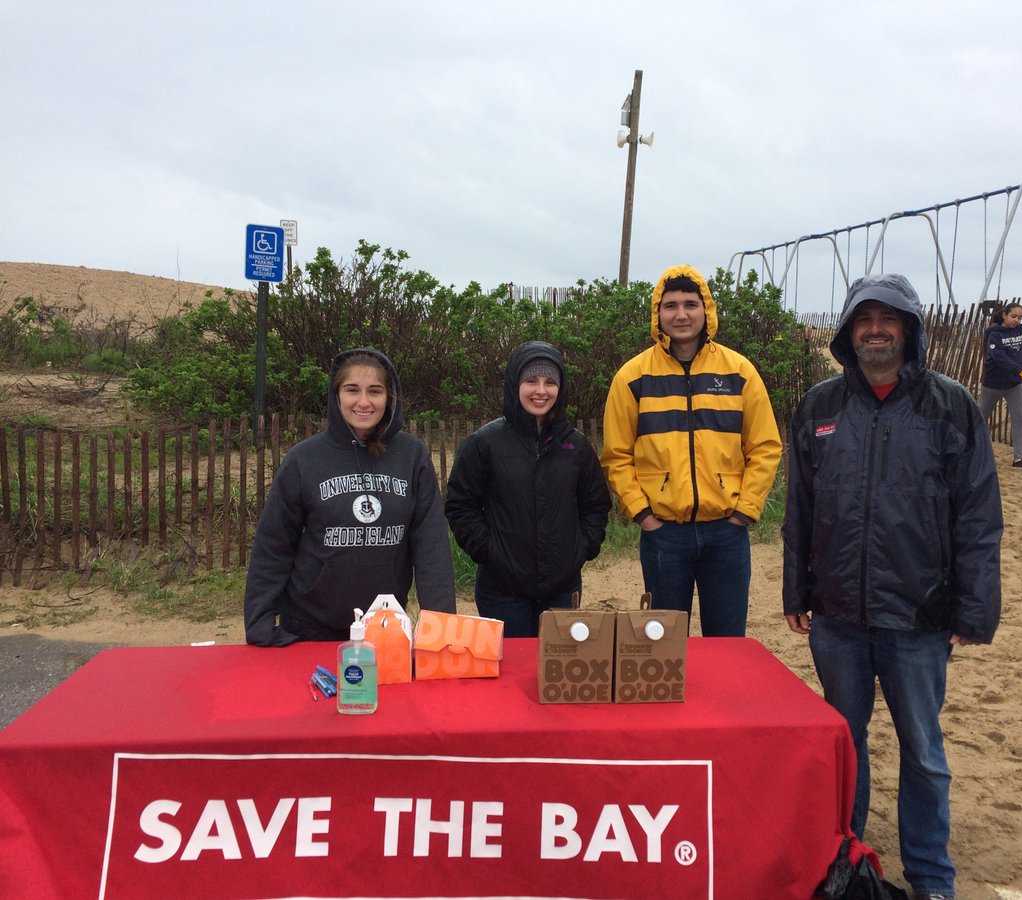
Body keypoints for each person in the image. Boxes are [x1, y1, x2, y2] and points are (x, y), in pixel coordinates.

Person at [781, 274, 1003, 900]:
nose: (875, 330)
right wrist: (796, 591)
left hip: (920, 617)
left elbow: (979, 514)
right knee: (842, 747)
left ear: (909, 328)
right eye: (863, 320)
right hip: (839, 616)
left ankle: (931, 877)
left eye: (888, 319)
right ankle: (846, 864)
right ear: (848, 332)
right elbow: (801, 505)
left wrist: (974, 607)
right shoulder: (821, 406)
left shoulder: (949, 405)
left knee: (924, 752)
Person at [602, 264, 782, 636]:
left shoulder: (739, 372)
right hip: (663, 533)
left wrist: (745, 511)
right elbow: (617, 456)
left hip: (727, 533)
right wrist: (642, 515)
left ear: (707, 310)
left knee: (727, 640)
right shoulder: (632, 377)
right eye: (670, 306)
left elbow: (765, 447)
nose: (681, 315)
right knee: (665, 642)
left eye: (690, 304)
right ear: (657, 313)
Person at [244, 347, 457, 646]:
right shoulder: (304, 459)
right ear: (336, 395)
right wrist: (259, 620)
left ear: (389, 397)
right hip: (309, 627)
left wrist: (441, 625)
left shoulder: (412, 456)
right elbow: (274, 543)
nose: (364, 402)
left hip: (383, 626)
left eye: (375, 391)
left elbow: (430, 545)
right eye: (352, 390)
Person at [444, 341, 611, 637]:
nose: (540, 391)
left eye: (550, 382)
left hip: (563, 589)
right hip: (501, 590)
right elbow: (461, 505)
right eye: (531, 381)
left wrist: (581, 549)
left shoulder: (577, 446)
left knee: (558, 671)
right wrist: (489, 551)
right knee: (510, 672)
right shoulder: (484, 444)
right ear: (514, 384)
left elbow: (595, 505)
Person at [979, 301, 1022, 470]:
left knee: (1019, 419)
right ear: (1004, 315)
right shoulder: (994, 334)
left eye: (1019, 317)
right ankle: (973, 452)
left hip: (1014, 385)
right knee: (981, 419)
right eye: (1013, 316)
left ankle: (1018, 459)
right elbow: (998, 357)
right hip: (993, 384)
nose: (1016, 320)